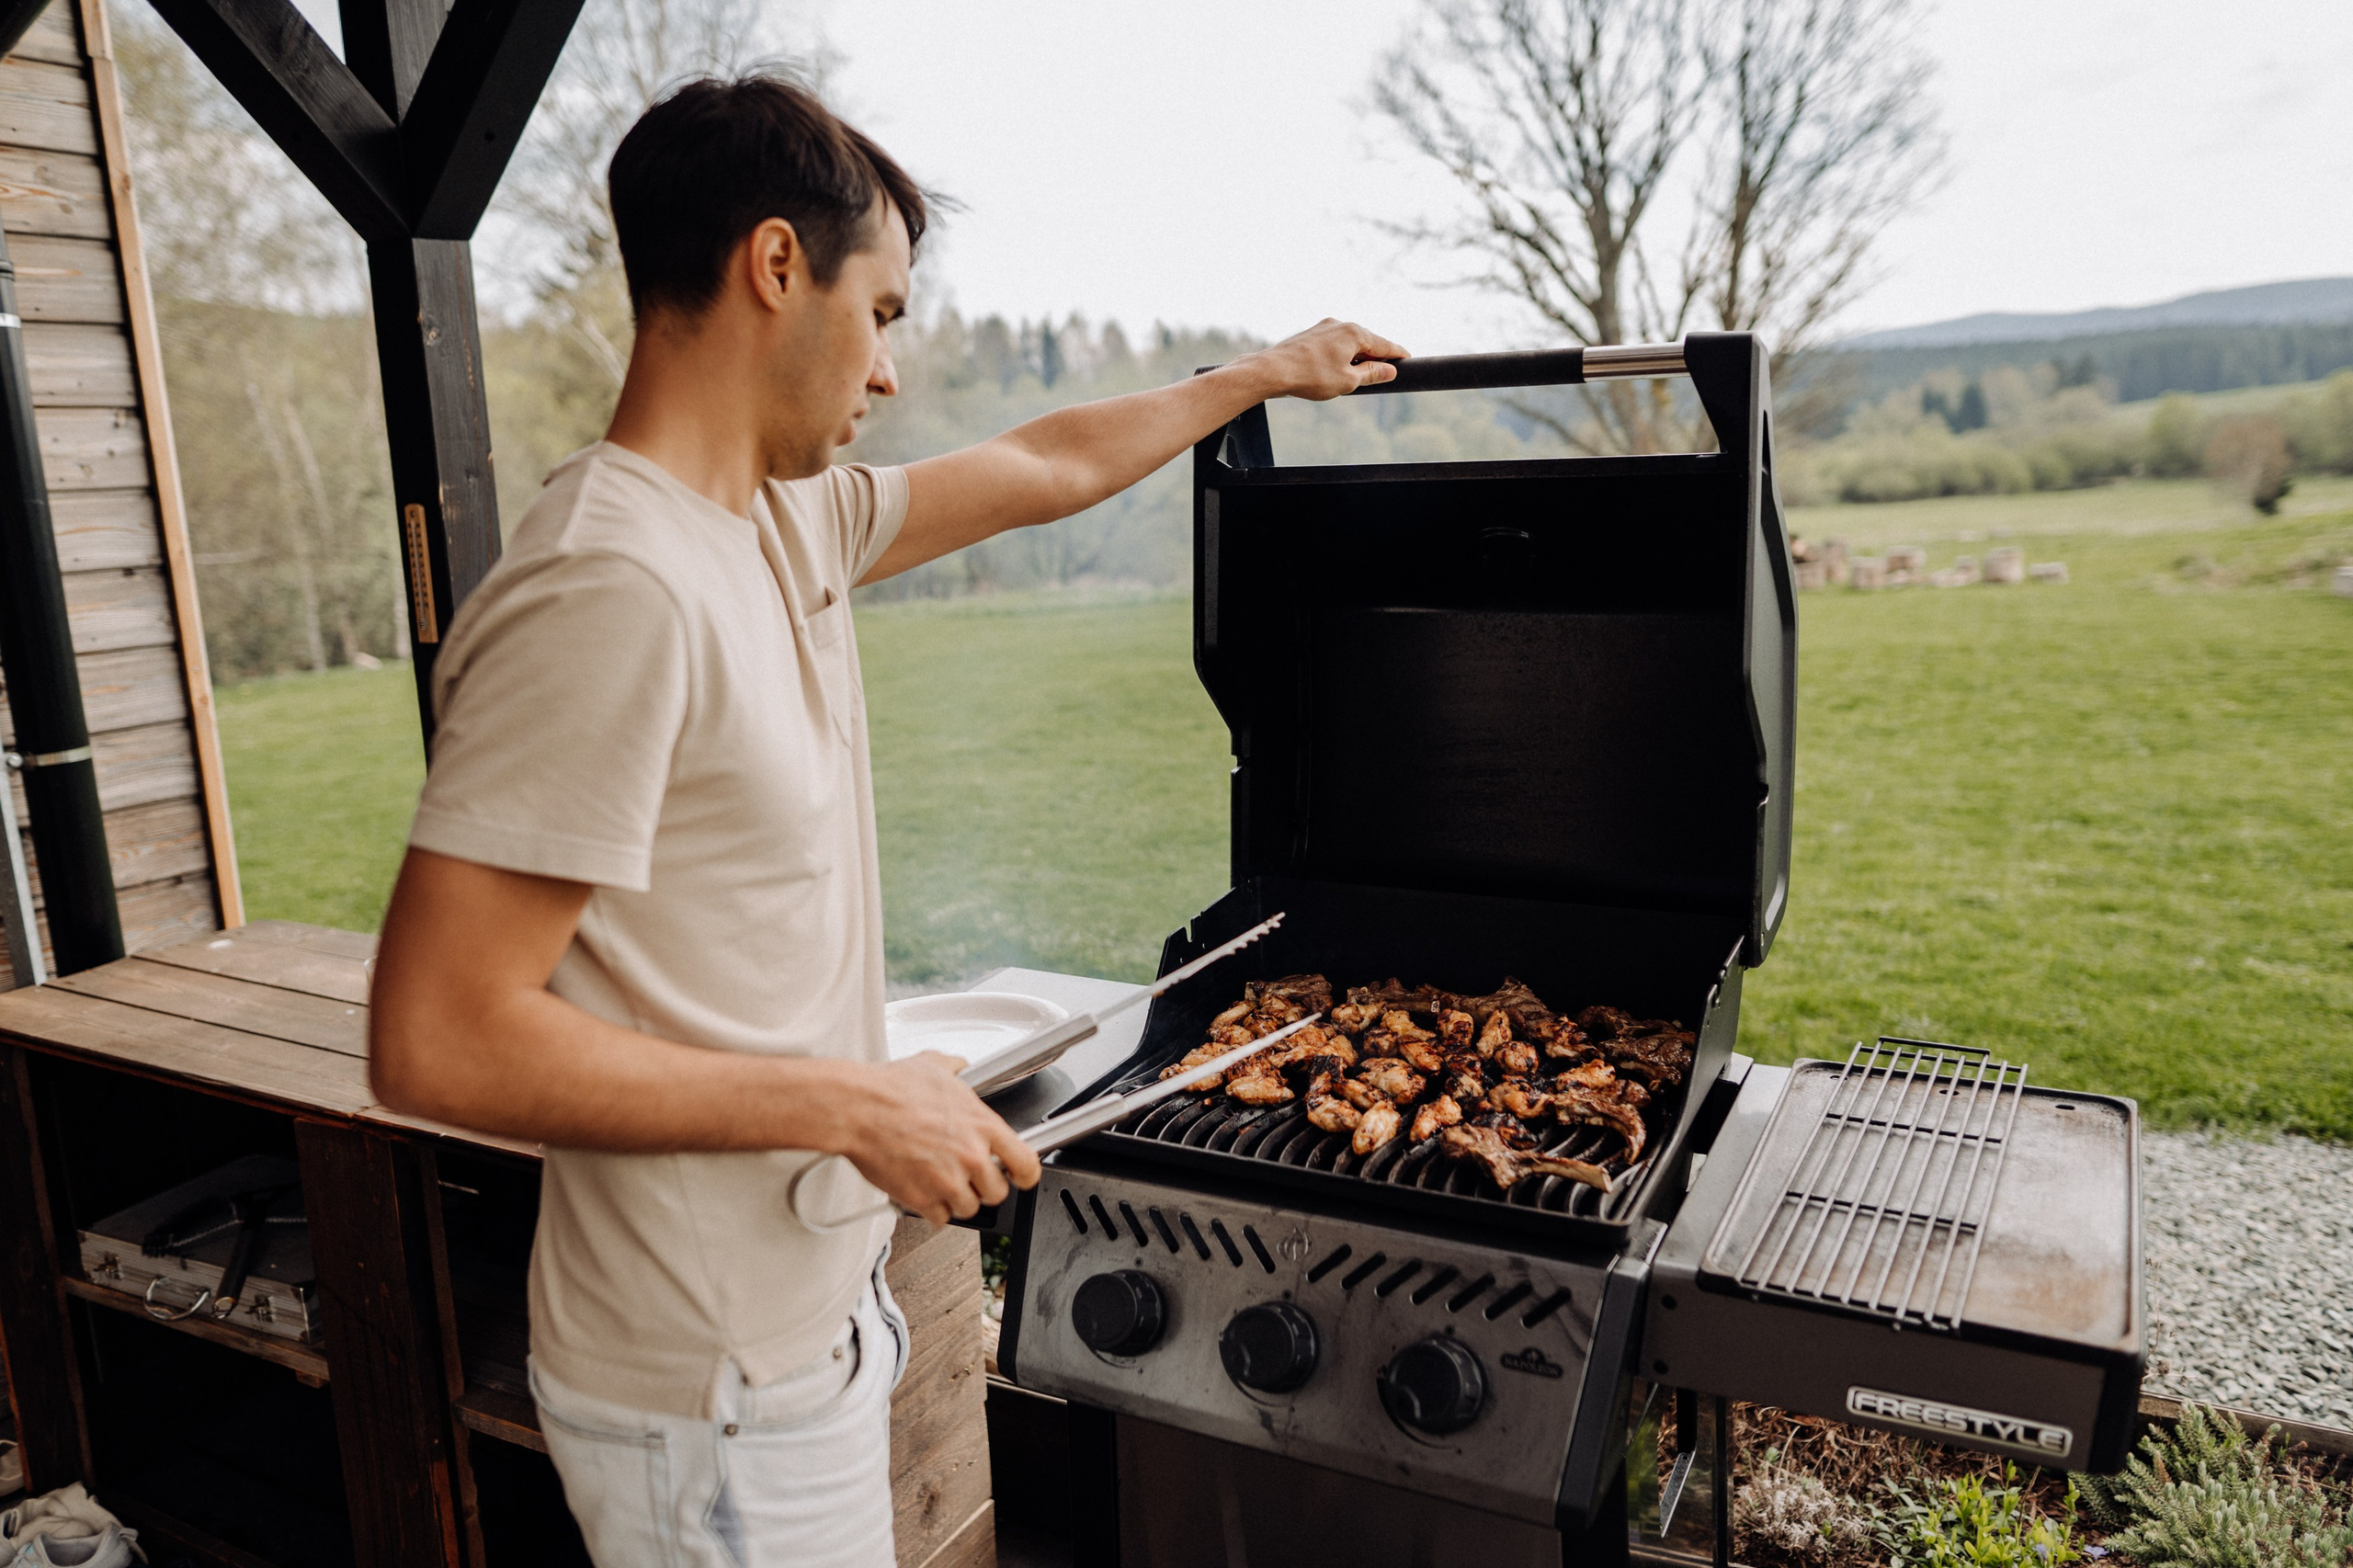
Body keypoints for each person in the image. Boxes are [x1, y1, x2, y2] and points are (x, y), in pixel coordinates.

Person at [366, 73, 1405, 1567]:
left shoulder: (785, 519)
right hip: (710, 1389)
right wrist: (850, 1104)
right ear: (775, 265)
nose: (892, 372)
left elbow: (1045, 464)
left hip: (805, 1326)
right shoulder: (611, 586)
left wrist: (1263, 374)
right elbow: (440, 1035)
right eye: (884, 313)